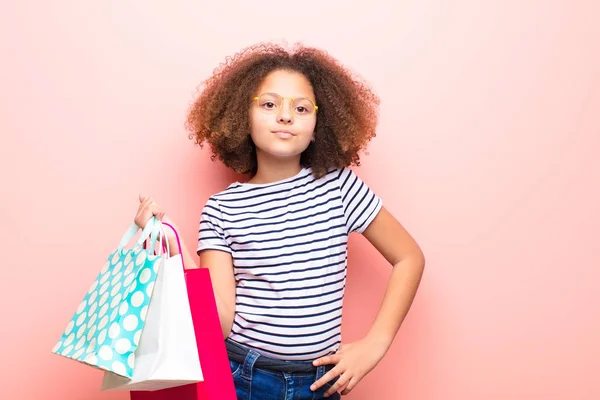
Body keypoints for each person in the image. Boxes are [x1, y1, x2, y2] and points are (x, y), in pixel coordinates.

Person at [134, 42, 425, 399]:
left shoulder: (339, 187)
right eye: (270, 104)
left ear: (319, 125)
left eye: (301, 108)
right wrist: (170, 245)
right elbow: (219, 322)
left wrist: (375, 344)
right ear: (243, 116)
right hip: (244, 377)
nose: (285, 116)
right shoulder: (222, 208)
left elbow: (409, 257)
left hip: (320, 381)